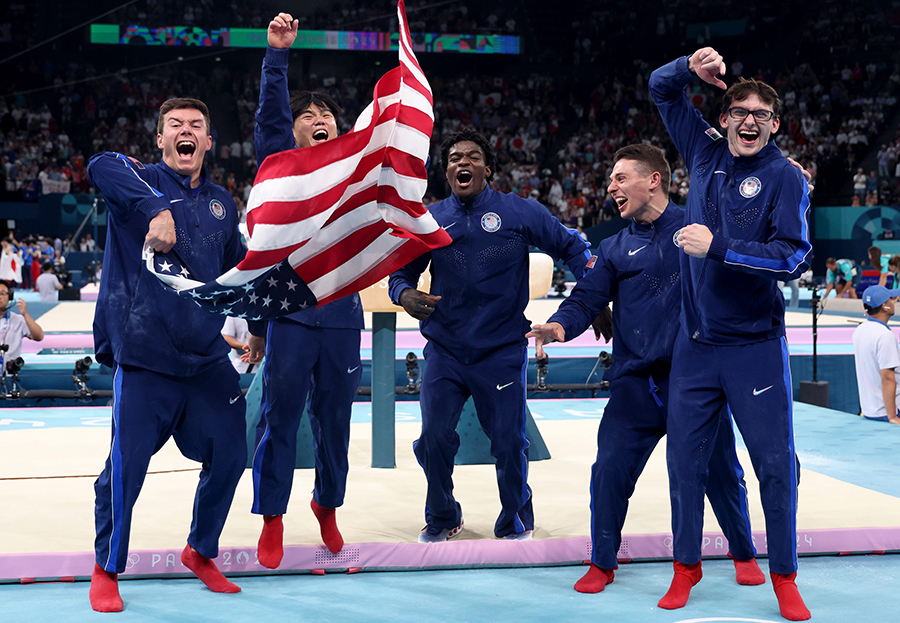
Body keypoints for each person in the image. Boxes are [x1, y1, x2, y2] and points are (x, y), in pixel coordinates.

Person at [527, 144, 764, 594]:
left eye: (619, 178)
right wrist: (558, 326)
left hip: (695, 382)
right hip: (635, 384)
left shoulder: (700, 230)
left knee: (721, 473)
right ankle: (602, 562)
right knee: (609, 472)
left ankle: (743, 551)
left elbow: (748, 216)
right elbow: (586, 299)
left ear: (653, 179)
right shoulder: (613, 247)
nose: (610, 187)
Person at [650, 47, 812, 620]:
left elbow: (792, 257)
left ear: (774, 125)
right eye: (738, 110)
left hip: (755, 350)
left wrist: (718, 246)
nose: (748, 120)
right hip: (695, 348)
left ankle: (785, 576)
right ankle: (686, 567)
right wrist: (687, 70)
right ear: (722, 119)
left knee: (773, 465)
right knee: (684, 465)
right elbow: (659, 89)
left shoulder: (787, 178)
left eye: (760, 115)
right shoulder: (701, 152)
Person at [388, 128, 592, 542]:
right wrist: (404, 293)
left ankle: (515, 517)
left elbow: (575, 248)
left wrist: (593, 299)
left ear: (488, 169)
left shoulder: (520, 212)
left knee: (507, 441)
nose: (462, 162)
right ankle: (444, 516)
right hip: (445, 349)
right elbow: (401, 272)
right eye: (454, 158)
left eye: (473, 157)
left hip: (500, 349)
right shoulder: (429, 219)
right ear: (446, 171)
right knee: (432, 439)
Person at [86, 97, 248, 612]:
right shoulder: (137, 179)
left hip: (205, 360)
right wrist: (155, 208)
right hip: (145, 357)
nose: (186, 132)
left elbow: (240, 273)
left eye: (196, 126)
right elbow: (99, 163)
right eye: (175, 125)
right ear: (160, 139)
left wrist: (259, 327)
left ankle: (201, 551)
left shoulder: (224, 202)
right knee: (127, 467)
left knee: (232, 453)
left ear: (207, 141)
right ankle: (106, 567)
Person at [244, 12, 364, 568]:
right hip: (290, 311)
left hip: (342, 313)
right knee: (280, 416)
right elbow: (270, 117)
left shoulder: (356, 173)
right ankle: (272, 517)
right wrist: (276, 57)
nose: (320, 120)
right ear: (294, 131)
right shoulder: (283, 166)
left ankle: (327, 504)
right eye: (309, 115)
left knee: (335, 420)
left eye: (327, 116)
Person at [851, 285, 900, 424]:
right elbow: (888, 378)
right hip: (888, 411)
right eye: (891, 299)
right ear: (885, 306)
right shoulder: (885, 336)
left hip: (869, 408)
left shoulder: (860, 330)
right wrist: (892, 416)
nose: (894, 302)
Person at [0, 281, 44, 369]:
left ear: (10, 297)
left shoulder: (18, 320)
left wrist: (26, 315)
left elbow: (39, 336)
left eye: (2, 294)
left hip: (9, 374)